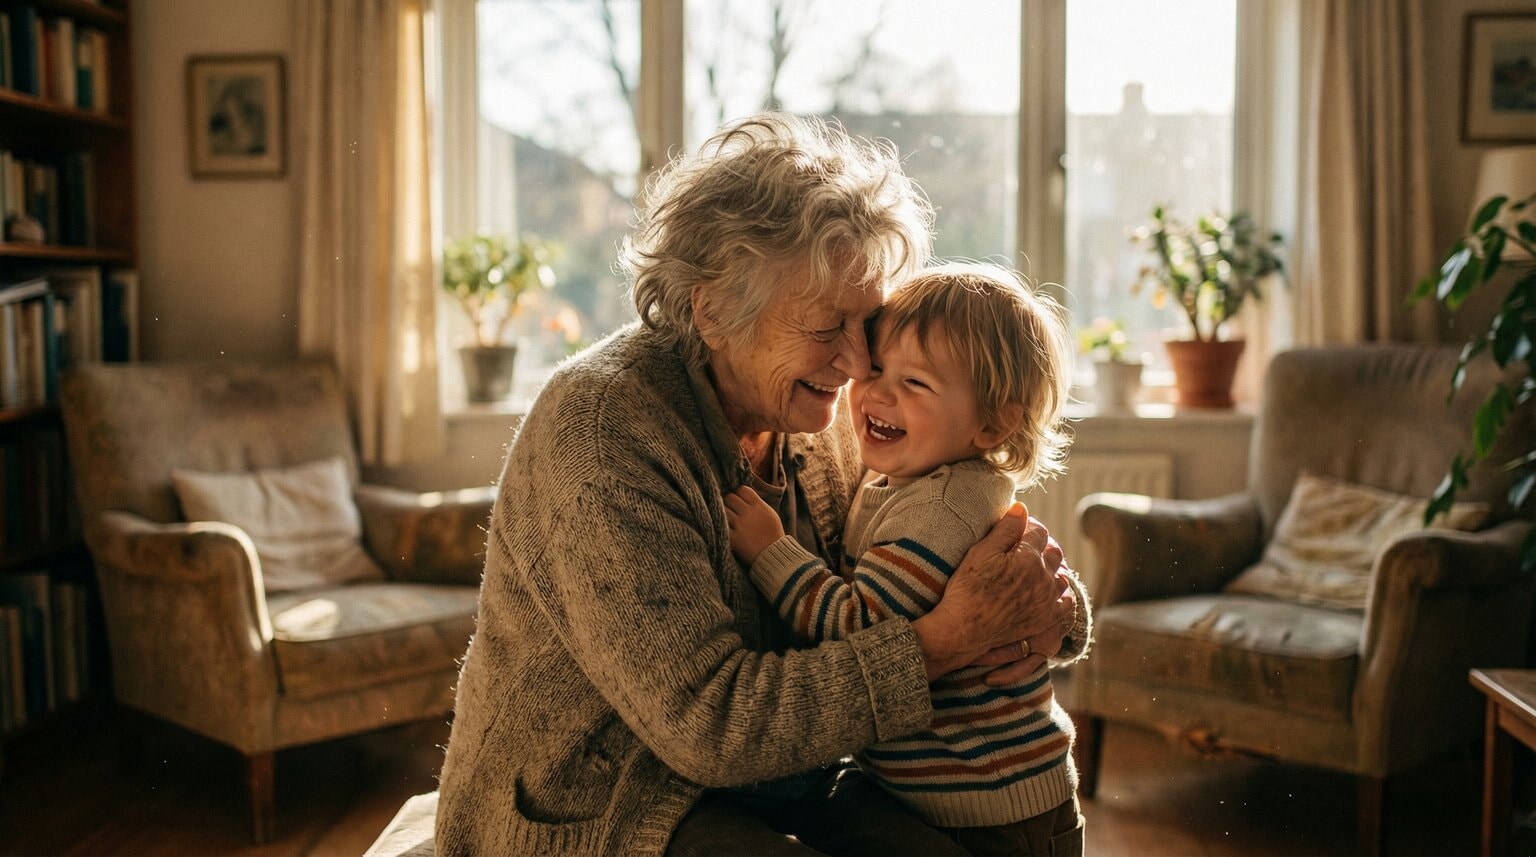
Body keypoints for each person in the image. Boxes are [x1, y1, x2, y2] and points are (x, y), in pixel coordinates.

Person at [435, 112, 1080, 857]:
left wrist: (1043, 600)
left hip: (784, 779)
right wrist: (943, 644)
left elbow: (939, 549)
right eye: (826, 326)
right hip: (595, 801)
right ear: (713, 311)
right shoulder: (603, 431)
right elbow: (709, 725)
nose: (857, 364)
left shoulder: (824, 406)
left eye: (867, 324)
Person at [725, 262, 1090, 856]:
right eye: (876, 368)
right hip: (956, 794)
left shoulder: (939, 510)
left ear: (992, 423)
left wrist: (771, 552)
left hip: (992, 812)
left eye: (915, 383)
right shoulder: (911, 478)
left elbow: (859, 627)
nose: (877, 392)